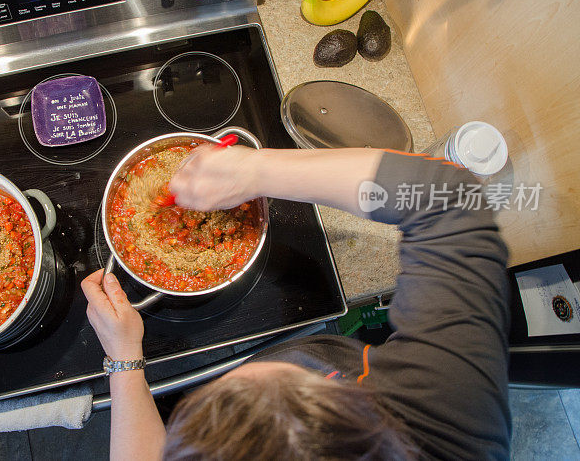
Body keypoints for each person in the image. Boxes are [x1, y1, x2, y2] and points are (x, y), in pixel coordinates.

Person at [81, 146, 510, 460]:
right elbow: (450, 199)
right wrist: (257, 170)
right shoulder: (454, 417)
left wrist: (123, 357)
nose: (239, 375)